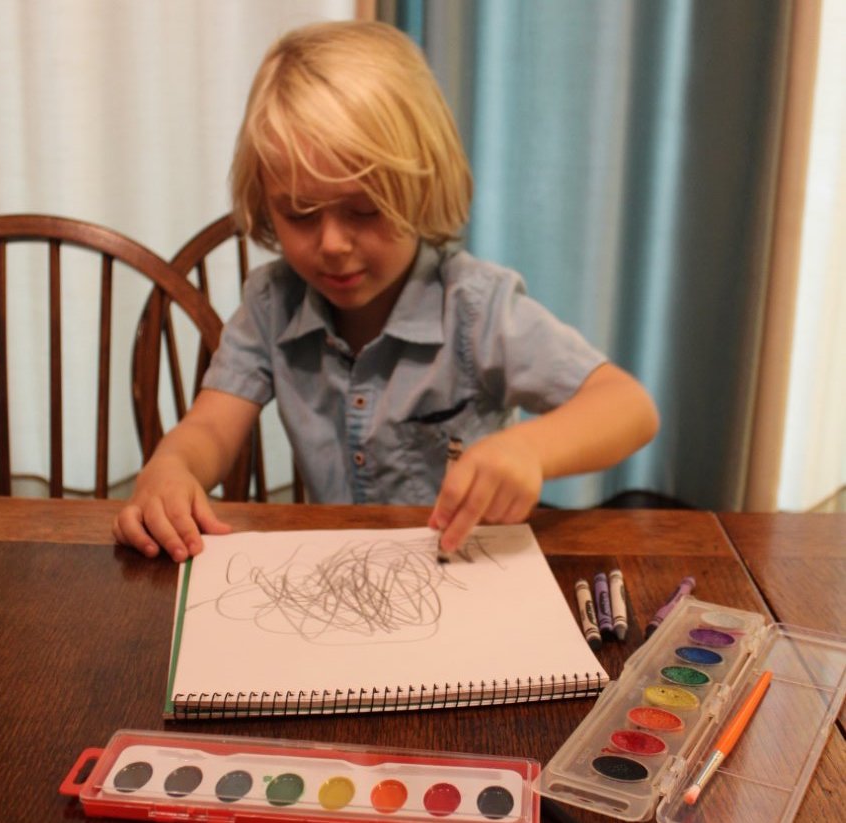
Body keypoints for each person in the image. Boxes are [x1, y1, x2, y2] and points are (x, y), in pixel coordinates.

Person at [113, 20, 659, 563]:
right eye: (299, 213)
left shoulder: (475, 307)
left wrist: (530, 450)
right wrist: (171, 467)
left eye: (364, 209)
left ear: (423, 187)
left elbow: (628, 407)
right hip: (339, 572)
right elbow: (211, 427)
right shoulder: (271, 303)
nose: (332, 244)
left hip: (467, 576)